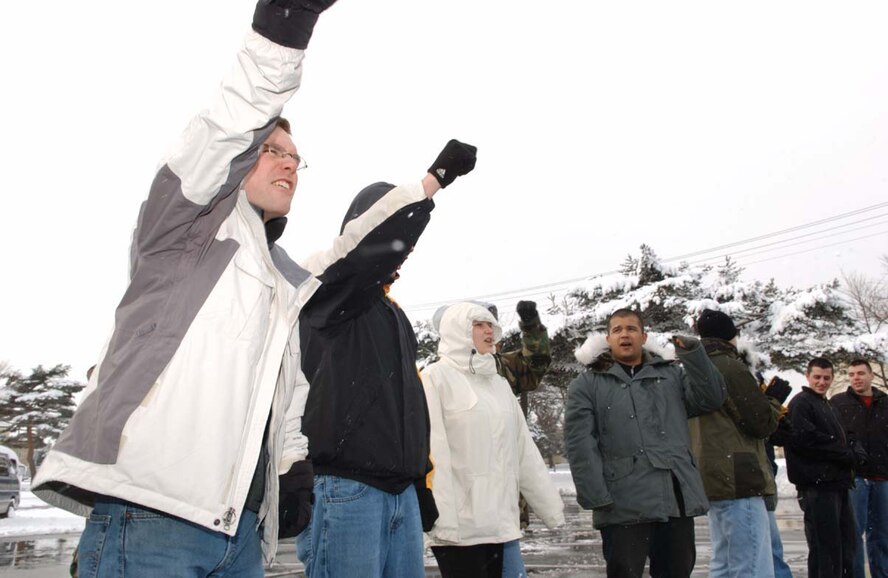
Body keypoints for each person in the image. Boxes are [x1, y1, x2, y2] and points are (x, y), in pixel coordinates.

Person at [32, 2, 348, 575]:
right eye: (273, 152)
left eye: (298, 160)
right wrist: (287, 23)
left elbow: (287, 394)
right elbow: (231, 123)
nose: (289, 166)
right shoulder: (188, 228)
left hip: (240, 531)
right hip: (151, 517)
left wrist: (290, 466)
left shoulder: (283, 281)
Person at [296, 142, 478, 578]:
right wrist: (433, 181)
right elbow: (367, 255)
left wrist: (420, 481)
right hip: (345, 486)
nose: (404, 250)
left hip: (400, 494)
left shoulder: (392, 313)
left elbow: (409, 405)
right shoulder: (325, 290)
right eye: (391, 231)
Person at [564, 308, 726, 578]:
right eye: (617, 330)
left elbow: (712, 398)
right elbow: (579, 443)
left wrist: (695, 355)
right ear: (608, 339)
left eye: (631, 329)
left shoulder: (671, 375)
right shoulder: (587, 384)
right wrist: (595, 495)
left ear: (643, 336)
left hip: (675, 497)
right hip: (622, 503)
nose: (624, 334)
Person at [421, 302, 564, 578]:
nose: (489, 331)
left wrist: (550, 508)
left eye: (491, 326)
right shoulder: (434, 379)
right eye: (479, 325)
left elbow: (523, 451)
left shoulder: (498, 382)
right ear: (457, 330)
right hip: (461, 529)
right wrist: (444, 523)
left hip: (502, 523)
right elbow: (433, 454)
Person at [689, 309, 781, 578]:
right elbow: (760, 422)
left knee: (724, 563)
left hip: (710, 475)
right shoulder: (729, 365)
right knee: (752, 564)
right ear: (732, 336)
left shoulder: (693, 367)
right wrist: (774, 401)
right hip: (739, 476)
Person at [784, 357, 865, 578]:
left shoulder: (826, 404)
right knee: (826, 549)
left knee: (845, 545)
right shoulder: (802, 403)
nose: (822, 382)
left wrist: (854, 449)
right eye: (817, 377)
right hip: (817, 486)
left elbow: (844, 435)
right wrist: (844, 453)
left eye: (826, 378)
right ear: (808, 376)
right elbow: (806, 440)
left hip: (837, 483)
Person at [832, 358, 888, 578]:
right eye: (852, 374)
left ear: (871, 376)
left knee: (882, 536)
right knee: (854, 535)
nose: (856, 378)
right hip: (855, 479)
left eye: (860, 373)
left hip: (883, 478)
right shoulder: (838, 403)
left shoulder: (885, 403)